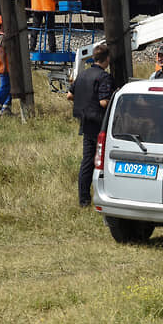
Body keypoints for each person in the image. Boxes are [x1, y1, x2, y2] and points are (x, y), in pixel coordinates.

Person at [67, 43, 113, 207]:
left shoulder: (83, 74)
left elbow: (69, 95)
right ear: (107, 59)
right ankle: (107, 194)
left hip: (85, 123)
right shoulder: (104, 77)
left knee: (87, 161)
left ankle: (84, 199)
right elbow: (103, 102)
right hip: (100, 124)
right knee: (105, 160)